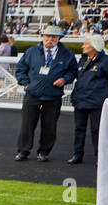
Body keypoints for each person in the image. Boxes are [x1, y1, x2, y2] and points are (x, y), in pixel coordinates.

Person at [14, 25, 77, 161]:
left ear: (59, 38)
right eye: (47, 36)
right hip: (33, 94)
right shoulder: (31, 52)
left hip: (53, 95)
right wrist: (25, 83)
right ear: (42, 37)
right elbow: (20, 69)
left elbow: (72, 72)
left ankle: (43, 152)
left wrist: (65, 79)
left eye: (53, 37)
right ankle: (23, 151)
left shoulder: (67, 54)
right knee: (27, 124)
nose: (50, 39)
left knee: (49, 126)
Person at [68, 34, 108, 165]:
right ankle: (77, 154)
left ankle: (100, 156)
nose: (83, 46)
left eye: (86, 44)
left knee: (97, 130)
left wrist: (106, 99)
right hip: (80, 101)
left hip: (97, 103)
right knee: (79, 129)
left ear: (94, 46)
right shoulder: (83, 60)